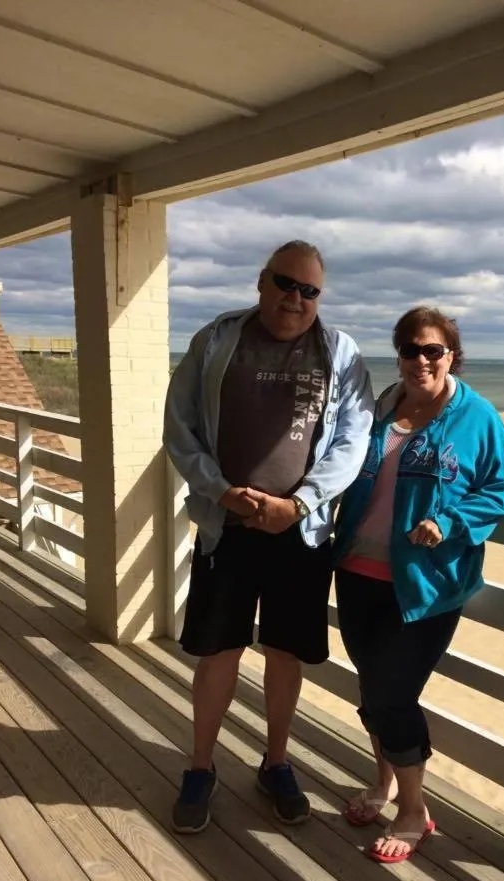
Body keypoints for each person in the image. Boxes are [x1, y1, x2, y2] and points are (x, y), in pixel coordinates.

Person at [163, 240, 373, 832]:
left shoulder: (341, 353)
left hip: (298, 535)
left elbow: (351, 441)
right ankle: (200, 767)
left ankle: (275, 762)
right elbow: (179, 428)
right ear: (262, 281)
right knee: (218, 652)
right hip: (224, 527)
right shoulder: (216, 341)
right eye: (286, 283)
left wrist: (300, 502)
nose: (296, 298)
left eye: (310, 290)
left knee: (285, 655)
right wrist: (221, 491)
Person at [333, 306, 504, 863]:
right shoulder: (379, 409)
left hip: (426, 584)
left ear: (451, 356)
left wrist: (450, 521)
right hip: (357, 572)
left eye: (433, 350)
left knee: (393, 693)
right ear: (398, 354)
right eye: (411, 349)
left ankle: (414, 810)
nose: (421, 360)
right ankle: (383, 783)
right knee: (372, 690)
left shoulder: (475, 417)